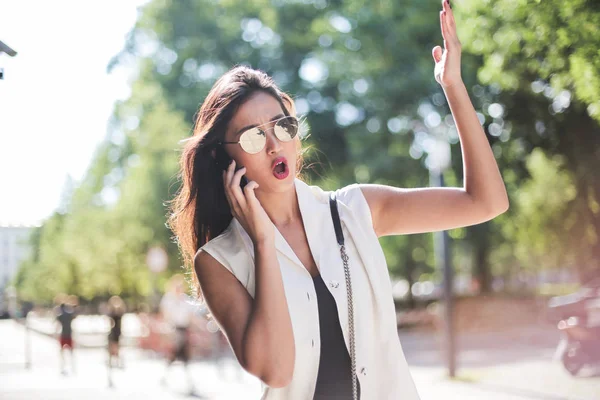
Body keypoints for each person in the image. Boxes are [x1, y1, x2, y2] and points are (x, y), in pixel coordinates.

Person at [167, 1, 509, 399]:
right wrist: (263, 241)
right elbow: (276, 371)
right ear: (222, 156)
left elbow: (486, 202)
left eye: (283, 126)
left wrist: (453, 85)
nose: (275, 144)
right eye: (254, 136)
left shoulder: (354, 210)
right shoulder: (218, 260)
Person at [159, 273, 198, 394]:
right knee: (175, 355)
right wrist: (167, 330)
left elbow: (191, 317)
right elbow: (165, 316)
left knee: (179, 356)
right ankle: (170, 378)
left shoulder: (186, 300)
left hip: (183, 330)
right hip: (174, 330)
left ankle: (171, 379)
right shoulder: (168, 299)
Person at [55, 295, 77, 375]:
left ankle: (65, 366)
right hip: (68, 334)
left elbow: (57, 325)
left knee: (63, 352)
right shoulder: (69, 313)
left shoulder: (61, 314)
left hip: (65, 334)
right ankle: (71, 367)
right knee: (69, 352)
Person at [107, 295, 126, 369]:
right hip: (112, 331)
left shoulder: (120, 312)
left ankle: (117, 361)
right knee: (111, 346)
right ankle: (111, 361)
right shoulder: (111, 311)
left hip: (117, 331)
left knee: (117, 347)